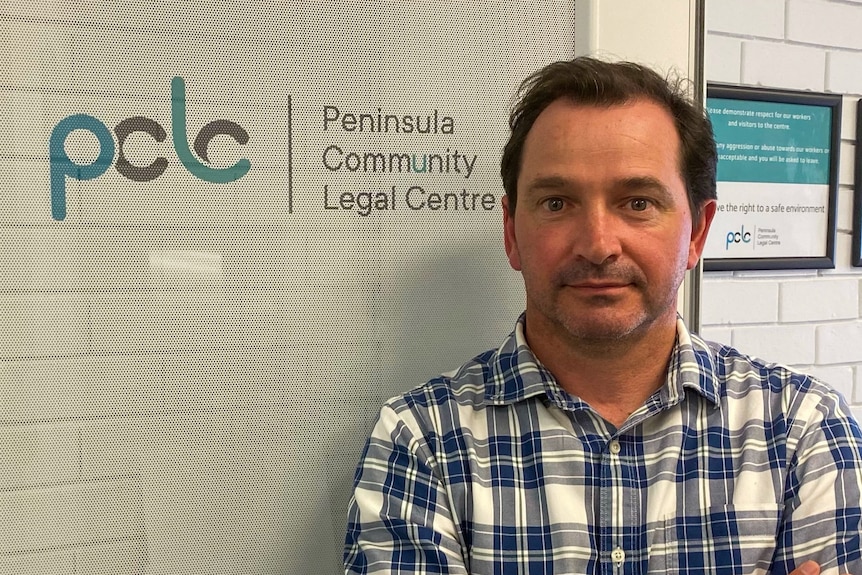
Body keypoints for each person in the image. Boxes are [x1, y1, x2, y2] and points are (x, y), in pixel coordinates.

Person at [343, 57, 862, 575]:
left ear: (698, 233)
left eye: (637, 202)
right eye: (556, 203)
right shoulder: (422, 440)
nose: (597, 245)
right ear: (511, 230)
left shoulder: (803, 431)